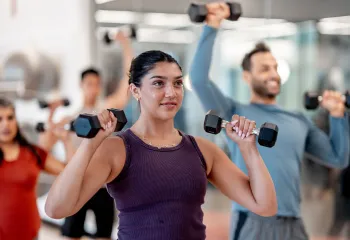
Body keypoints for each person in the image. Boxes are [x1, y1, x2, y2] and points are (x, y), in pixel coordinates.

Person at [44, 50, 278, 240]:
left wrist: (249, 149)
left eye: (177, 83)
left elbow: (265, 206)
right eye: (158, 83)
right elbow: (56, 209)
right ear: (135, 90)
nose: (171, 92)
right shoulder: (117, 149)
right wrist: (89, 146)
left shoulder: (202, 150)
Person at [188, 2, 350, 240]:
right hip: (252, 220)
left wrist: (338, 116)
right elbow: (199, 80)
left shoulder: (299, 120)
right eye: (264, 69)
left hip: (293, 222)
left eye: (275, 67)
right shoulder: (232, 112)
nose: (273, 74)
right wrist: (212, 25)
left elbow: (338, 157)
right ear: (246, 76)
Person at [57, 31, 134, 240]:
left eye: (96, 84)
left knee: (104, 236)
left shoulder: (106, 111)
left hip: (102, 186)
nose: (93, 88)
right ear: (81, 85)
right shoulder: (71, 119)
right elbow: (66, 157)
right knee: (71, 235)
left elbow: (127, 83)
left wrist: (125, 45)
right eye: (89, 84)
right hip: (77, 185)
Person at [0, 98, 72, 240]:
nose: (5, 124)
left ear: (16, 121)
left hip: (30, 233)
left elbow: (69, 172)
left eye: (10, 118)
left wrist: (66, 139)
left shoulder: (33, 153)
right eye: (0, 119)